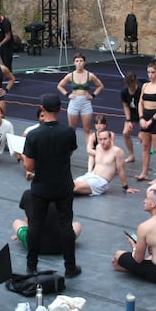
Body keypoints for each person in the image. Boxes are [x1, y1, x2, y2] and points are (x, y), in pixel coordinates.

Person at [23, 93, 81, 277]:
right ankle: (70, 267)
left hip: (41, 186)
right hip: (63, 184)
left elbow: (29, 166)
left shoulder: (33, 135)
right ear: (60, 109)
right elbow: (69, 153)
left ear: (42, 108)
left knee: (35, 225)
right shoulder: (68, 132)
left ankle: (31, 266)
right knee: (66, 225)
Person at [11, 189, 82, 254]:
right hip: (62, 246)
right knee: (77, 225)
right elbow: (67, 221)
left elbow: (29, 217)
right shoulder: (64, 195)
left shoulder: (28, 194)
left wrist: (22, 232)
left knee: (17, 222)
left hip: (34, 245)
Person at [56, 53, 105, 144]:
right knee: (71, 129)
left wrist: (93, 95)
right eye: (77, 61)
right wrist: (67, 94)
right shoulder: (71, 75)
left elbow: (100, 86)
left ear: (84, 63)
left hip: (85, 103)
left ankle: (90, 152)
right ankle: (69, 150)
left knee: (87, 129)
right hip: (74, 102)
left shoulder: (90, 75)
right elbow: (60, 86)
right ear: (74, 63)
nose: (79, 63)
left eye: (81, 61)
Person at [73, 129, 140, 195]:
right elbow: (90, 153)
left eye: (105, 139)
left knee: (74, 187)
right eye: (100, 139)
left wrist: (126, 187)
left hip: (101, 181)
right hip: (90, 175)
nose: (102, 142)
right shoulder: (98, 147)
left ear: (110, 139)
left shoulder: (117, 151)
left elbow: (121, 170)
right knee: (68, 184)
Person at [135, 60, 156, 183]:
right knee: (145, 146)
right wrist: (141, 118)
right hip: (145, 118)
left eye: (153, 72)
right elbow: (140, 103)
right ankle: (144, 172)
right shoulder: (145, 86)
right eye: (148, 72)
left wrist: (151, 120)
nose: (150, 75)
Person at [120, 71, 143, 163]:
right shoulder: (124, 92)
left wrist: (142, 130)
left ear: (136, 82)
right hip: (133, 113)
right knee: (125, 133)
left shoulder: (141, 90)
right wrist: (128, 120)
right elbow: (125, 106)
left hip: (144, 113)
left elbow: (145, 107)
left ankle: (146, 156)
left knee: (144, 137)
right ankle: (131, 155)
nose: (131, 88)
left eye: (133, 85)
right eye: (129, 86)